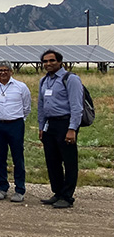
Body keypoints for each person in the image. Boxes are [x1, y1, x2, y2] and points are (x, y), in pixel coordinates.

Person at [38, 49, 83, 209]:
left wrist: (72, 129)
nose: (48, 64)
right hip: (50, 125)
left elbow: (77, 107)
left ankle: (67, 196)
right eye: (45, 61)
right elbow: (41, 106)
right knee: (52, 160)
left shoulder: (70, 79)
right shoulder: (44, 81)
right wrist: (41, 126)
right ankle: (57, 192)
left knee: (69, 161)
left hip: (66, 123)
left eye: (52, 61)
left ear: (60, 62)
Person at [0, 60, 31, 203]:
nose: (3, 73)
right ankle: (2, 187)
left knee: (18, 157)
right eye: (0, 71)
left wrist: (17, 119)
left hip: (15, 124)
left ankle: (19, 189)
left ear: (11, 71)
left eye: (6, 70)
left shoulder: (21, 87)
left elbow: (26, 107)